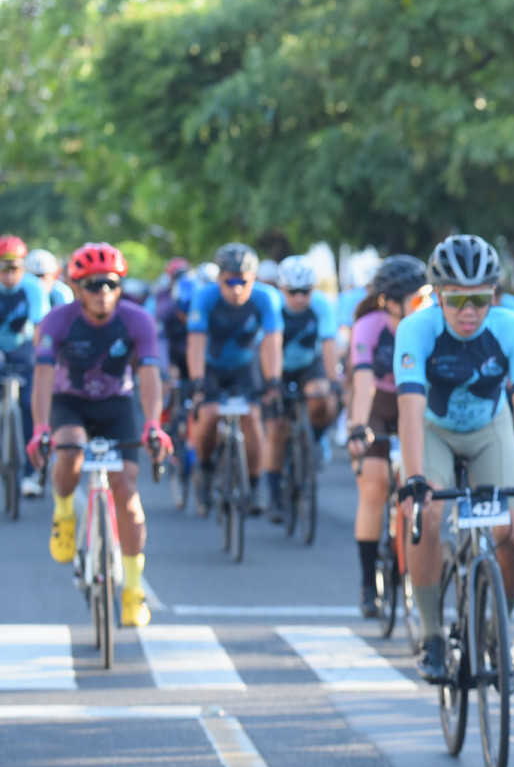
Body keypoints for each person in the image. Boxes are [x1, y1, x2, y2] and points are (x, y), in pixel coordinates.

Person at [393, 234, 514, 682]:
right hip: (433, 431)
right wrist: (414, 477)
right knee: (427, 515)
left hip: (491, 430)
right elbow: (409, 409)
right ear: (437, 296)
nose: (468, 310)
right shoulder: (415, 329)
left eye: (480, 298)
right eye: (455, 298)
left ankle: (495, 632)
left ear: (494, 295)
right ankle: (432, 634)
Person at [27, 244, 170, 627]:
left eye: (110, 283)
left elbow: (149, 374)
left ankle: (133, 589)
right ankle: (63, 511)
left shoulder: (137, 320)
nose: (103, 292)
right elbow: (42, 377)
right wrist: (40, 428)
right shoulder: (57, 321)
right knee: (70, 451)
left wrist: (153, 423)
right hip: (69, 402)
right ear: (76, 288)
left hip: (116, 405)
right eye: (92, 285)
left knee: (127, 490)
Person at [345, 255, 430, 617]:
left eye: (426, 296)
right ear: (390, 302)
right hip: (378, 404)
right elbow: (363, 380)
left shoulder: (428, 322)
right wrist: (358, 427)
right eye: (415, 299)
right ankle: (368, 583)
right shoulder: (369, 325)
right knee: (375, 485)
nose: (423, 304)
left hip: (416, 401)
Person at [186, 243, 284, 516]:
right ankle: (205, 470)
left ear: (255, 279)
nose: (237, 289)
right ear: (219, 279)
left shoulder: (267, 298)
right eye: (230, 282)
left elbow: (272, 343)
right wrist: (197, 381)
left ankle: (254, 485)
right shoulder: (205, 297)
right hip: (212, 367)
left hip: (245, 366)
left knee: (252, 416)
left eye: (244, 282)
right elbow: (196, 343)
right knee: (208, 415)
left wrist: (273, 380)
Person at [263, 255, 340, 522]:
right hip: (278, 367)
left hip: (309, 364)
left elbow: (329, 343)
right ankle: (274, 496)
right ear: (281, 289)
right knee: (277, 429)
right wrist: (272, 383)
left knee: (322, 396)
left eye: (305, 291)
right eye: (292, 292)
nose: (299, 298)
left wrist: (333, 381)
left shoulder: (321, 304)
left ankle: (313, 440)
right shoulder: (272, 305)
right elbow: (268, 345)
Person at [0, 235, 50, 497]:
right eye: (3, 268)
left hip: (25, 350)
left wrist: (43, 360)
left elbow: (41, 328)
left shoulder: (33, 288)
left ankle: (33, 471)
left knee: (31, 405)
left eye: (15, 268)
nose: (9, 274)